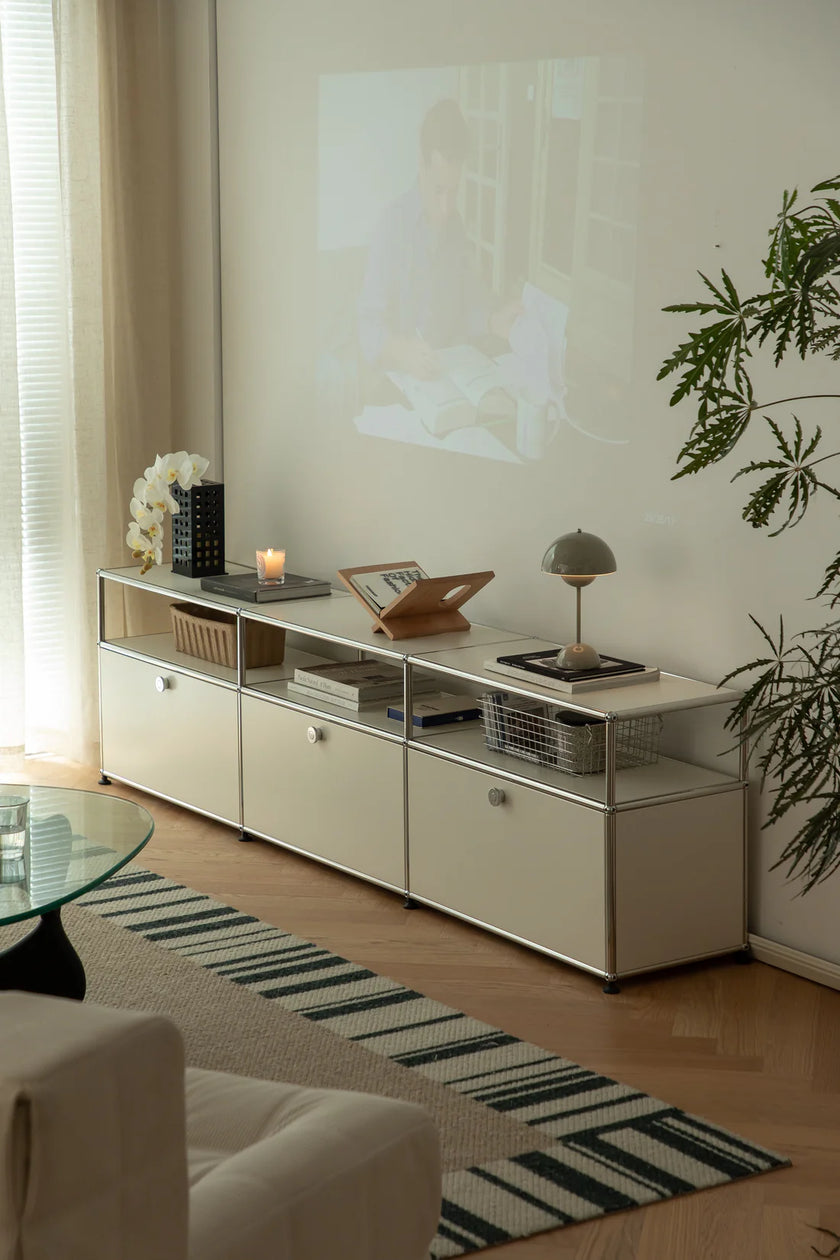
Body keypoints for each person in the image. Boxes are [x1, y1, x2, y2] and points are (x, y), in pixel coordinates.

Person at [357, 97, 520, 380]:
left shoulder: (455, 227)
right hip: (401, 383)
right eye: (438, 190)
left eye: (454, 191)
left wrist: (494, 321)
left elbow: (466, 299)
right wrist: (403, 351)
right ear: (421, 164)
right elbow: (368, 328)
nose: (446, 208)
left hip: (448, 375)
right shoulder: (391, 226)